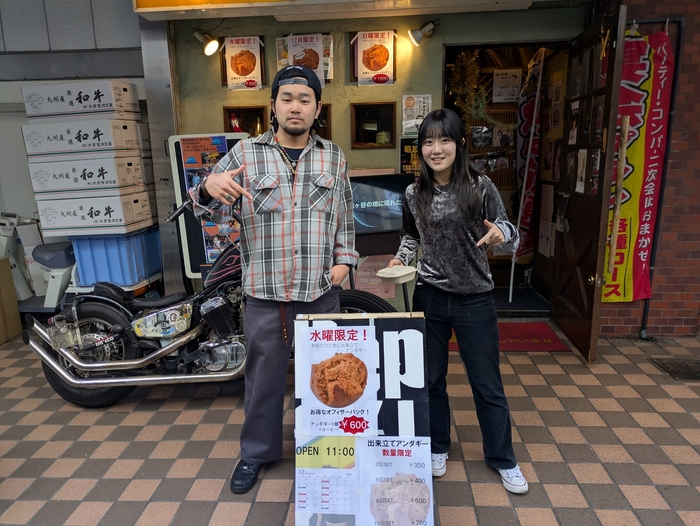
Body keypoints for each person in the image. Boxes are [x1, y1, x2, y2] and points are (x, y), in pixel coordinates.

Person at [189, 65, 358, 494]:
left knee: (329, 378)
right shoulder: (246, 153)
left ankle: (326, 449)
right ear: (273, 106)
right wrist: (208, 185)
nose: (295, 107)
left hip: (320, 293)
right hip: (266, 296)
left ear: (317, 108)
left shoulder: (333, 156)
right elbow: (201, 205)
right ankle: (257, 453)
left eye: (304, 99)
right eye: (287, 99)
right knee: (262, 382)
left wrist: (344, 262)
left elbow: (345, 216)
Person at [386, 108, 528, 494]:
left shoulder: (480, 186)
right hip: (429, 295)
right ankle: (437, 447)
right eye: (428, 142)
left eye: (444, 140)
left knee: (487, 383)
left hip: (475, 299)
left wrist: (502, 234)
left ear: (460, 144)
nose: (436, 149)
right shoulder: (414, 193)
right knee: (430, 380)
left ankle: (502, 458)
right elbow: (412, 236)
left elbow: (511, 231)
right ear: (421, 148)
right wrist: (401, 258)